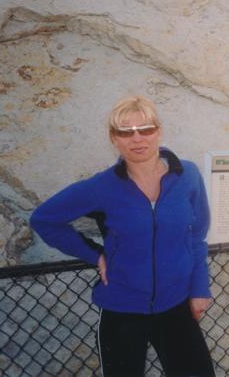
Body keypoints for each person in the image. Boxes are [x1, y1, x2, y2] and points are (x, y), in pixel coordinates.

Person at [30, 95, 215, 376]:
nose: (137, 138)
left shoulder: (187, 175)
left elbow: (197, 235)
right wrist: (95, 255)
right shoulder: (102, 186)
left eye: (145, 129)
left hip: (176, 305)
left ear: (159, 131)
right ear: (113, 138)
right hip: (122, 309)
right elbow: (44, 219)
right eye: (125, 132)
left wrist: (199, 288)